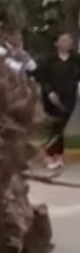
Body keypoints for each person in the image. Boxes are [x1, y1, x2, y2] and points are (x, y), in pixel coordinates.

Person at [35, 33, 80, 169]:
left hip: (69, 99)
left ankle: (52, 154)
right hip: (52, 98)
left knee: (61, 126)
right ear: (57, 43)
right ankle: (52, 155)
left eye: (69, 41)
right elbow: (41, 77)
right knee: (56, 126)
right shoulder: (49, 61)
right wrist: (49, 92)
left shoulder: (76, 60)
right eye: (64, 40)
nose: (67, 43)